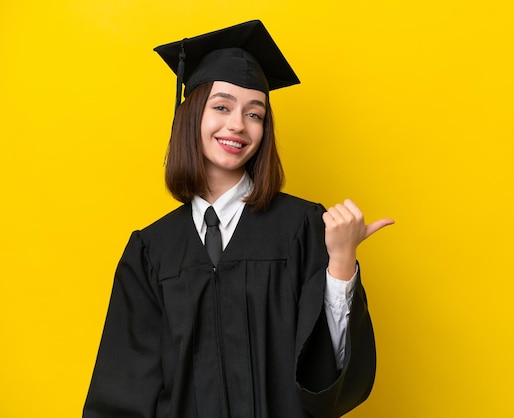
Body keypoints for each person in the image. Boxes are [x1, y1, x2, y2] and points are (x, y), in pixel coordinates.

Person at [83, 20, 394, 418]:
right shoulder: (151, 251)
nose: (237, 125)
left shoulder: (302, 228)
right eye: (222, 106)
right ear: (191, 114)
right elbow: (123, 390)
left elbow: (327, 383)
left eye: (255, 114)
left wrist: (341, 265)